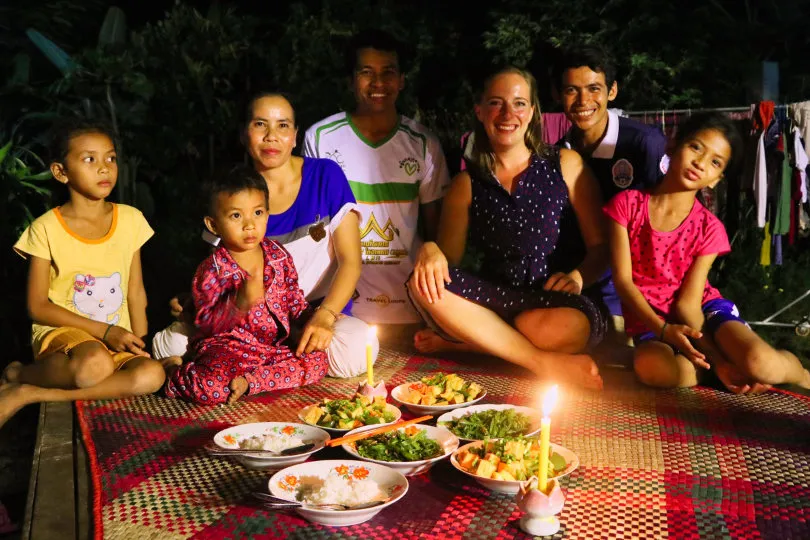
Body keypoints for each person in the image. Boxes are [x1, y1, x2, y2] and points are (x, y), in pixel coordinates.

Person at [408, 66, 609, 390]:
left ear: (531, 112)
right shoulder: (466, 184)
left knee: (561, 328)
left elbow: (602, 247)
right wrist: (428, 250)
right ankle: (542, 362)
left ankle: (479, 342)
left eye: (518, 103)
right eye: (496, 103)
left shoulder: (566, 165)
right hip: (498, 297)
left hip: (557, 302)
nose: (507, 113)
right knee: (425, 284)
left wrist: (577, 277)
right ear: (480, 110)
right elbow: (447, 262)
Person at [152, 92, 378, 378]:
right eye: (260, 124)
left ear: (295, 136)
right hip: (251, 321)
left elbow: (351, 262)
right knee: (168, 344)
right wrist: (198, 299)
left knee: (354, 352)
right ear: (244, 134)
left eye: (283, 126)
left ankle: (256, 365)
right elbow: (221, 271)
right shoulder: (230, 189)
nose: (272, 136)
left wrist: (325, 316)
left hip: (314, 313)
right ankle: (274, 364)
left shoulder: (324, 175)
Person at [606, 112, 810, 393]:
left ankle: (799, 372)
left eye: (715, 162)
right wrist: (666, 332)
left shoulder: (709, 229)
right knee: (651, 369)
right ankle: (713, 372)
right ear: (673, 146)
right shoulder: (627, 205)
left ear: (717, 178)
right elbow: (623, 281)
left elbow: (687, 305)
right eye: (696, 147)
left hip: (703, 312)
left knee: (761, 364)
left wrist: (713, 352)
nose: (701, 163)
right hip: (651, 323)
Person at [0, 119, 165, 428]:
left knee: (152, 375)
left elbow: (134, 291)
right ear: (61, 172)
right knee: (93, 365)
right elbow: (37, 306)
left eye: (110, 158)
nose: (104, 168)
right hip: (63, 332)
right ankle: (20, 373)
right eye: (90, 159)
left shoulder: (130, 219)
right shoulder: (46, 228)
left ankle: (29, 392)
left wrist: (141, 344)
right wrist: (104, 332)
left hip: (115, 339)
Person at [302, 28, 451, 324]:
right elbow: (311, 225)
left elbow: (437, 232)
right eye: (366, 72)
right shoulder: (320, 138)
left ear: (402, 80)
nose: (378, 82)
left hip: (410, 307)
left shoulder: (423, 143)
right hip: (340, 309)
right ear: (350, 80)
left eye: (389, 72)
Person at [164, 165, 329, 404]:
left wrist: (312, 318)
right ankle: (173, 370)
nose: (249, 224)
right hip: (227, 350)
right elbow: (206, 323)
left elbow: (293, 299)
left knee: (317, 361)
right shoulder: (212, 269)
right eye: (236, 216)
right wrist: (239, 303)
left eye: (258, 213)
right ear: (213, 225)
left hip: (273, 348)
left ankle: (252, 382)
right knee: (212, 388)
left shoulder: (278, 255)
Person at [552, 45, 669, 340]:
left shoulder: (645, 144)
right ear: (557, 95)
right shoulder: (556, 154)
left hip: (637, 295)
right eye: (571, 90)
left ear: (612, 91)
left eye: (594, 88)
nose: (583, 101)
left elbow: (668, 224)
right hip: (578, 286)